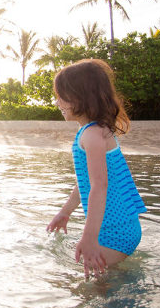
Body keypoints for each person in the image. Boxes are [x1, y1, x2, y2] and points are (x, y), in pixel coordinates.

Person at [46, 59, 147, 278]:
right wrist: (65, 212)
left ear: (79, 97)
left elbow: (99, 186)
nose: (57, 102)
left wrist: (89, 238)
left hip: (113, 231)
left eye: (61, 96)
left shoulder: (91, 135)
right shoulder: (96, 131)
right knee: (106, 280)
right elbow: (85, 182)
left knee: (95, 290)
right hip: (124, 226)